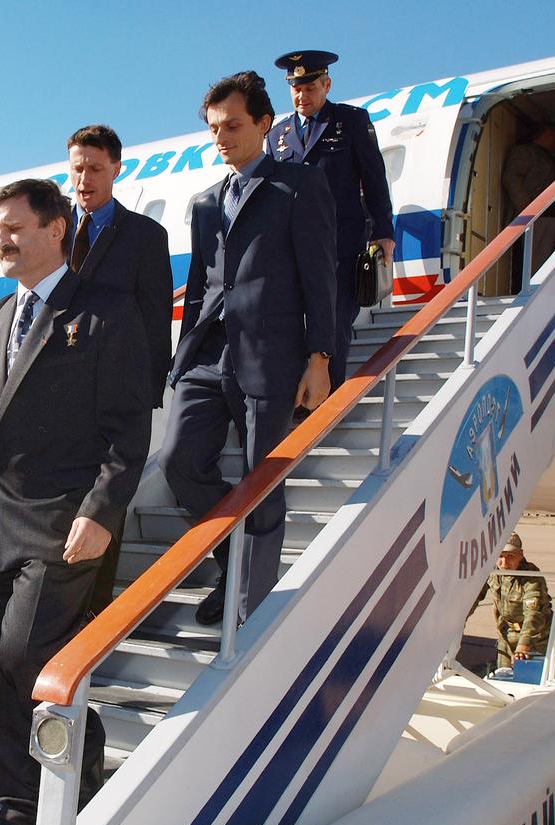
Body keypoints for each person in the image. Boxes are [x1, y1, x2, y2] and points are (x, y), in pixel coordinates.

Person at [0, 178, 151, 825]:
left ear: (57, 229)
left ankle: (80, 756)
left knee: (23, 653)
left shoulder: (107, 312)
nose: (2, 240)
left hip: (62, 519)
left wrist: (103, 510)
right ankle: (17, 806)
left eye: (15, 228)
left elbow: (128, 431)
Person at [160, 72, 336, 626]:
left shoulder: (298, 185)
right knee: (179, 462)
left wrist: (320, 357)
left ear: (264, 123)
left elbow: (319, 276)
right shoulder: (206, 202)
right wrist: (183, 354)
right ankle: (231, 557)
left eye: (233, 125)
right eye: (214, 129)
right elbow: (203, 282)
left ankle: (249, 610)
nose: (222, 137)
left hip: (271, 355)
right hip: (209, 354)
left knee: (263, 483)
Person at [65, 123, 174, 618]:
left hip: (115, 394)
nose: (84, 178)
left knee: (106, 504)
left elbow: (154, 316)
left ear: (115, 169)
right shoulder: (56, 230)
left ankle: (96, 616)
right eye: (77, 168)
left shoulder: (145, 237)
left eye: (94, 168)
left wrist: (149, 390)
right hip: (60, 393)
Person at [266, 50, 394, 391]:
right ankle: (298, 404)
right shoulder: (277, 136)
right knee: (296, 327)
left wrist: (383, 231)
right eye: (295, 88)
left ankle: (326, 405)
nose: (301, 95)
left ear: (327, 84)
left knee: (333, 326)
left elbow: (374, 178)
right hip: (292, 250)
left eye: (309, 88)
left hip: (342, 245)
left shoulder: (350, 122)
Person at [475, 532, 553, 669]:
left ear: (520, 554)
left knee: (531, 681)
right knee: (503, 677)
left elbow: (533, 614)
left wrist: (523, 646)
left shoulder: (531, 577)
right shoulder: (493, 570)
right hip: (507, 635)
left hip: (535, 639)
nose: (504, 563)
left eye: (510, 556)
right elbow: (473, 598)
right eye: (500, 556)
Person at [504, 122, 555, 281]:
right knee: (535, 264)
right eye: (552, 135)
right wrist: (528, 210)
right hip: (536, 218)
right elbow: (511, 178)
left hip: (551, 217)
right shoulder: (525, 152)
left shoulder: (548, 157)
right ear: (542, 135)